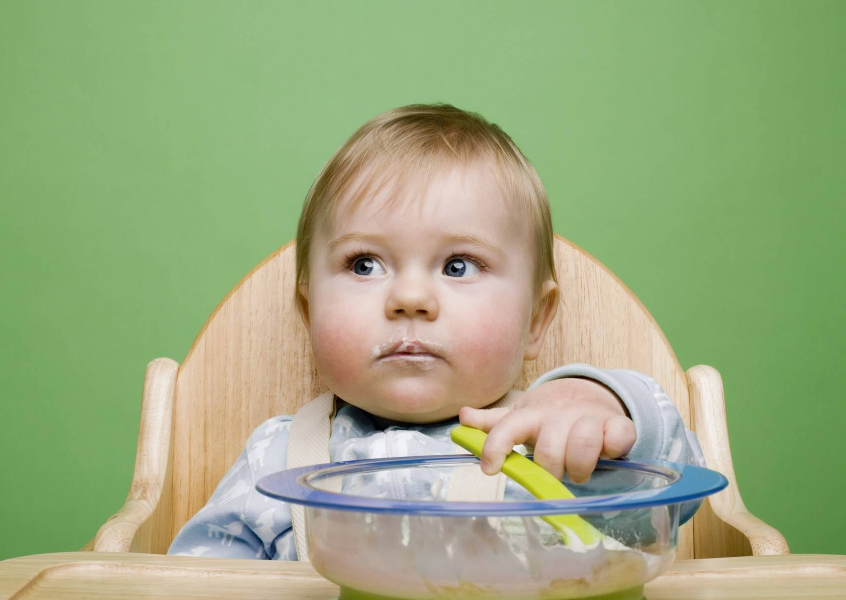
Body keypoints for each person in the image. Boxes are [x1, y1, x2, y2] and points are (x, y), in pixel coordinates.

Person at [167, 103, 705, 560]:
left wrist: (599, 404)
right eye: (363, 264)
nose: (409, 299)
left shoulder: (549, 451)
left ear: (536, 320)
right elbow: (197, 579)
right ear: (308, 315)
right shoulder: (277, 458)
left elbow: (675, 494)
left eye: (457, 266)